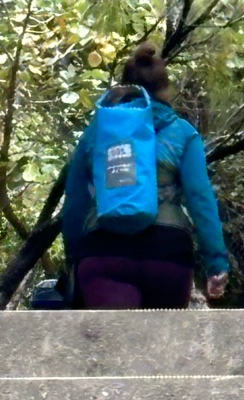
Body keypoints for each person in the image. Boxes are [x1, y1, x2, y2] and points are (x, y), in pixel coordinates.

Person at [61, 42, 229, 309]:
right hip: (167, 253)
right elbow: (200, 199)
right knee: (161, 337)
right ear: (166, 90)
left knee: (113, 337)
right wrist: (216, 262)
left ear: (125, 87)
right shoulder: (182, 132)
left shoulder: (96, 133)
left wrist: (73, 257)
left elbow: (75, 203)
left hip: (104, 251)